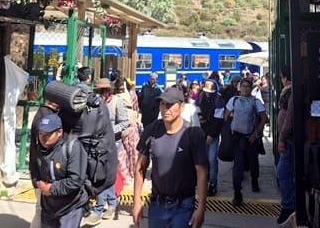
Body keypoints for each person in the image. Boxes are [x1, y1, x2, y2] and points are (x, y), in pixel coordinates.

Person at [132, 87, 208, 228]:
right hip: (157, 205)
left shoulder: (193, 134)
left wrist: (201, 208)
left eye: (170, 104)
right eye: (162, 104)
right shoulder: (151, 130)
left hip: (183, 206)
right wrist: (137, 202)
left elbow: (201, 171)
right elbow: (140, 168)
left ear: (181, 106)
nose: (165, 109)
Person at [82, 78, 129, 226]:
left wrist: (109, 130)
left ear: (109, 91)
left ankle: (99, 209)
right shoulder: (94, 104)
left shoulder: (116, 102)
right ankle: (111, 203)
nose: (100, 94)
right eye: (98, 91)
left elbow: (125, 122)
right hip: (97, 144)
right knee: (102, 174)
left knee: (104, 174)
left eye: (103, 91)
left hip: (113, 143)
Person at [30, 114, 89, 228]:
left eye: (48, 134)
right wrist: (37, 182)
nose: (43, 138)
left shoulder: (72, 147)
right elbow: (34, 168)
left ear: (59, 132)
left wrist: (51, 189)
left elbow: (75, 180)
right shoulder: (39, 148)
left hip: (70, 206)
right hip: (48, 207)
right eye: (41, 133)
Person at [224, 77, 268, 206]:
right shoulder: (234, 100)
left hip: (250, 138)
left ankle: (254, 180)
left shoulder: (256, 102)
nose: (245, 88)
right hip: (237, 138)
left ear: (251, 88)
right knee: (237, 166)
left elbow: (264, 118)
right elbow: (226, 116)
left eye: (247, 86)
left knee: (253, 162)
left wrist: (256, 134)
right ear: (239, 88)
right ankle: (237, 193)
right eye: (243, 86)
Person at [29, 99, 60, 228]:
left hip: (39, 170)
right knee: (41, 209)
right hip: (42, 173)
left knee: (42, 209)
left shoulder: (44, 113)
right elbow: (42, 148)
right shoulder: (46, 116)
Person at [196, 78, 224, 197]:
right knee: (203, 159)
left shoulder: (219, 100)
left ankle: (213, 184)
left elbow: (218, 120)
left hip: (212, 134)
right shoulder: (200, 97)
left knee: (212, 159)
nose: (207, 93)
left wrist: (211, 135)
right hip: (201, 132)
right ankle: (204, 180)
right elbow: (196, 112)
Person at [276, 67, 295, 225]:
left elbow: (289, 118)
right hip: (288, 139)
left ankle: (289, 205)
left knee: (282, 172)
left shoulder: (292, 93)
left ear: (286, 78)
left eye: (282, 77)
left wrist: (282, 138)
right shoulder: (288, 92)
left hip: (289, 140)